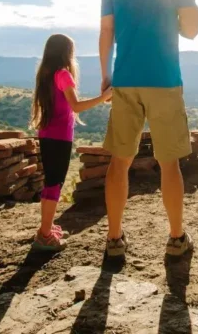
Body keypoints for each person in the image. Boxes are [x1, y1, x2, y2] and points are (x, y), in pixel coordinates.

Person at [99, 0, 198, 258]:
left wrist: (107, 75)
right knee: (169, 162)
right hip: (164, 79)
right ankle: (176, 238)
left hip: (125, 79)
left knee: (119, 161)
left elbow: (106, 32)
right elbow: (193, 27)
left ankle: (114, 239)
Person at [30, 34, 113, 251]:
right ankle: (44, 235)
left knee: (51, 181)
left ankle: (46, 228)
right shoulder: (63, 74)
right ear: (66, 52)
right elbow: (76, 107)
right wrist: (104, 98)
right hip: (60, 137)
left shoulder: (46, 74)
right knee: (55, 184)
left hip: (47, 133)